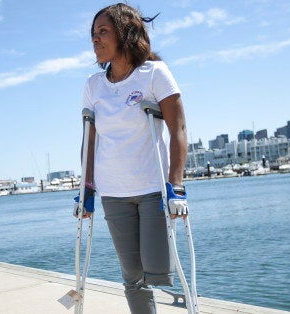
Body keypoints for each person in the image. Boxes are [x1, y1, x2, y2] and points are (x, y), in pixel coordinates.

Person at [74, 3, 189, 314]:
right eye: (93, 34)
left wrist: (175, 186)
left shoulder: (155, 74)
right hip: (113, 194)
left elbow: (178, 128)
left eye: (103, 32)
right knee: (132, 279)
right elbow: (90, 141)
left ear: (124, 33)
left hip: (152, 189)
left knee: (158, 272)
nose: (95, 39)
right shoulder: (92, 85)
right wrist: (87, 189)